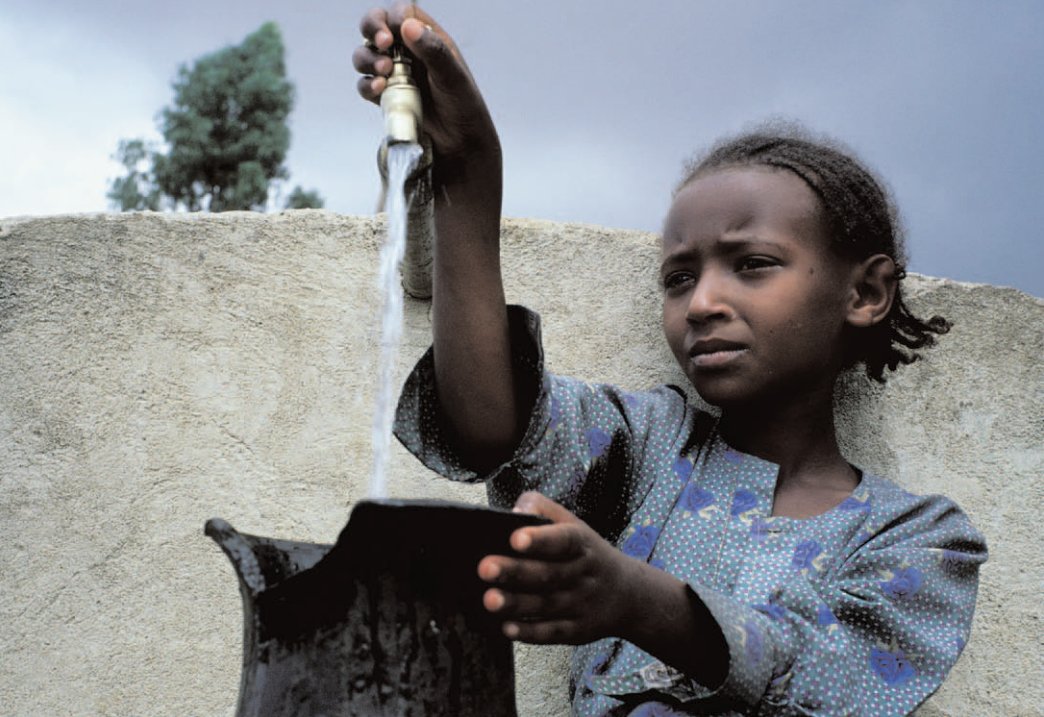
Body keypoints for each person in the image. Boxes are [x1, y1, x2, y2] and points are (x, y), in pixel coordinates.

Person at [354, 4, 987, 715]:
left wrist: (637, 599)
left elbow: (832, 675)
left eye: (752, 264)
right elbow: (489, 422)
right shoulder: (647, 448)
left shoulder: (917, 537)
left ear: (866, 291)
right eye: (679, 277)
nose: (703, 302)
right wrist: (470, 175)